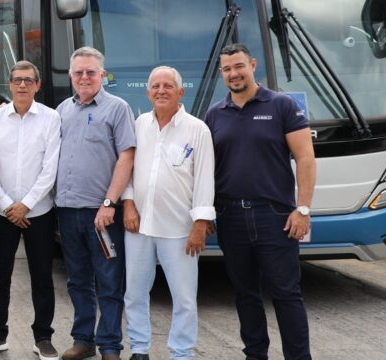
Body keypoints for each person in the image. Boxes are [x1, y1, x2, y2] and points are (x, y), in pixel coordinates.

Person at [204, 43, 315, 360]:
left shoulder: (282, 106)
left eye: (239, 66)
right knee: (245, 295)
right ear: (222, 73)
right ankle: (256, 355)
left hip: (275, 217)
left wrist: (302, 208)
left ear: (252, 65)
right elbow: (207, 169)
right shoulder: (215, 114)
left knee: (286, 293)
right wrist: (206, 212)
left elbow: (305, 158)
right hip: (230, 217)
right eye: (227, 69)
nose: (234, 74)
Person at [122, 66, 215, 360]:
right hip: (139, 226)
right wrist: (127, 202)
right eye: (156, 86)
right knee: (135, 293)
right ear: (148, 92)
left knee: (184, 298)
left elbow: (204, 178)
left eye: (168, 86)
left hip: (180, 229)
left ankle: (182, 353)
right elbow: (126, 168)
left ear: (180, 92)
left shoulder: (197, 129)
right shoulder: (138, 124)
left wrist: (200, 222)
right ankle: (139, 349)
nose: (161, 90)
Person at [0, 60, 61, 360]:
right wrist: (10, 206)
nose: (22, 85)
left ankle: (43, 337)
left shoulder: (51, 119)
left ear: (37, 85)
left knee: (42, 278)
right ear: (9, 85)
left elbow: (51, 169)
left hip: (40, 213)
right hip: (3, 212)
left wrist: (27, 204)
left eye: (28, 80)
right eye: (16, 80)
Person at [54, 46, 135, 360]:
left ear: (103, 75)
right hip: (67, 211)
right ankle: (83, 340)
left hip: (102, 216)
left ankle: (111, 345)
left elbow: (126, 158)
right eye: (78, 72)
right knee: (77, 280)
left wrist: (109, 203)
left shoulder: (117, 108)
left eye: (90, 72)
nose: (84, 77)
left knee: (109, 280)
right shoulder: (62, 110)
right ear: (71, 76)